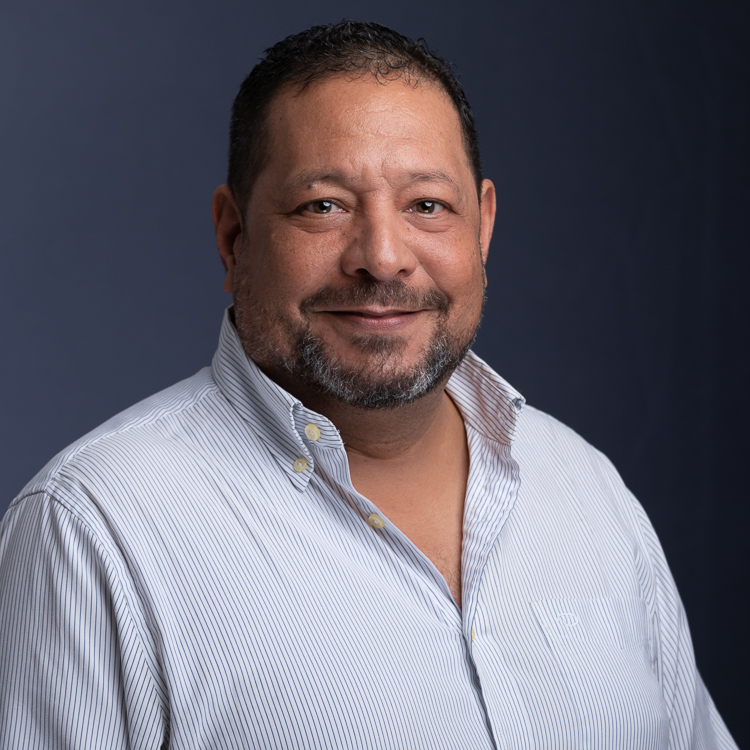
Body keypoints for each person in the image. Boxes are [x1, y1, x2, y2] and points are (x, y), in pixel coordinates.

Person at [0, 20, 736, 750]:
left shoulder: (586, 487)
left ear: (481, 229)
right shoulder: (93, 529)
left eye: (427, 206)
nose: (382, 258)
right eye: (323, 205)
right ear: (233, 237)